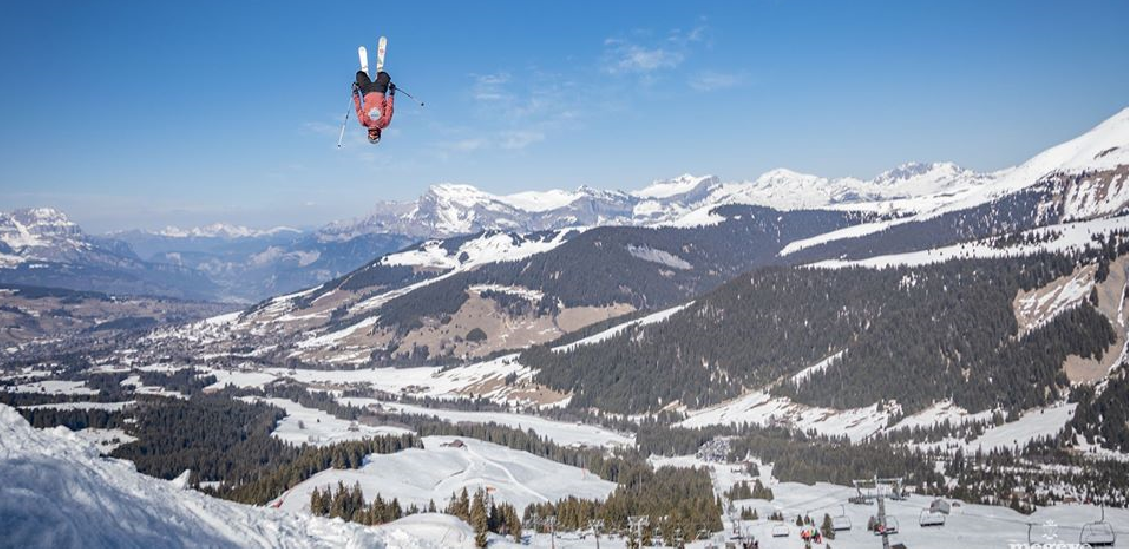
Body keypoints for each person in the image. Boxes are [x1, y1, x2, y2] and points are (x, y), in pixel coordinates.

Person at [353, 70, 395, 144]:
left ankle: (365, 76)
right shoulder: (384, 123)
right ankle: (380, 75)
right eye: (375, 135)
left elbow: (358, 108)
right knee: (385, 75)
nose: (373, 133)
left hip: (366, 91)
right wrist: (391, 93)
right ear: (379, 134)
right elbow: (389, 108)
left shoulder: (363, 122)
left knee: (359, 74)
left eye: (371, 135)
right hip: (380, 90)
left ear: (368, 134)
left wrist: (355, 93)